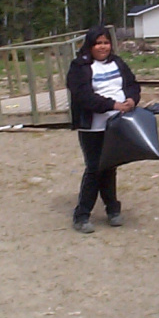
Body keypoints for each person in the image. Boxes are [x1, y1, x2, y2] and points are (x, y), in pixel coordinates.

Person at [66, 26, 141, 234]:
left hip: (117, 124)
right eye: (98, 43)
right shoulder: (79, 66)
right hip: (93, 126)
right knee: (94, 168)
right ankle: (81, 215)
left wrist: (131, 100)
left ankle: (113, 210)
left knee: (110, 166)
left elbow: (133, 84)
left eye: (106, 42)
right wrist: (113, 105)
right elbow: (83, 96)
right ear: (90, 45)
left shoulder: (117, 63)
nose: (102, 47)